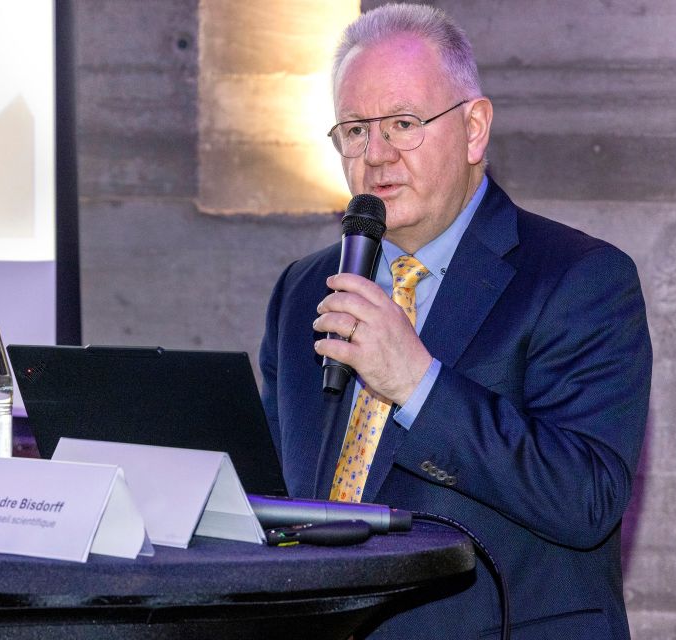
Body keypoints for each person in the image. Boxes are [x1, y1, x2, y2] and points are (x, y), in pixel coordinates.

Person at [259, 3, 651, 639]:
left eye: (403, 124)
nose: (376, 155)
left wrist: (417, 383)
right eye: (355, 130)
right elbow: (278, 497)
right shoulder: (305, 288)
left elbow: (586, 500)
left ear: (474, 129)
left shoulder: (579, 278)